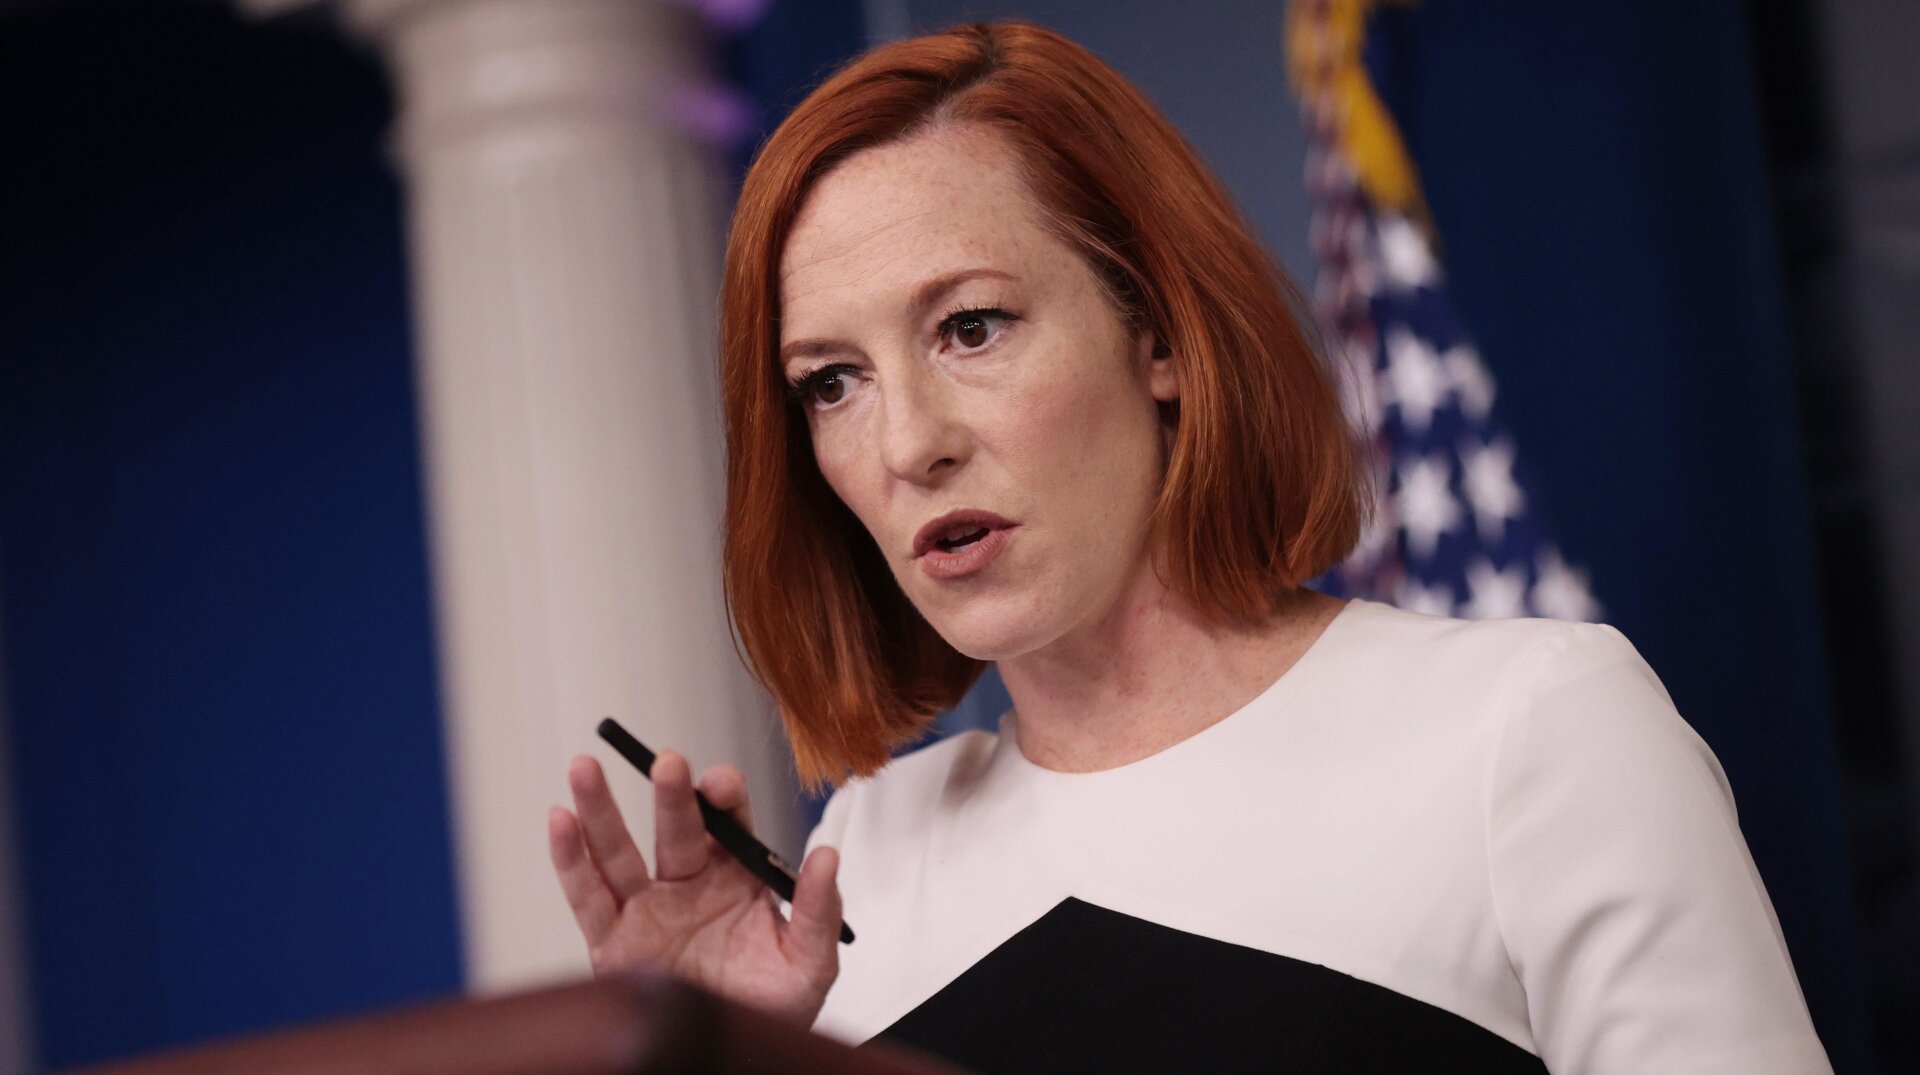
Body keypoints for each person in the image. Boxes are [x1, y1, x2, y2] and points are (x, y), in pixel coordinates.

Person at [545, 20, 1832, 1074]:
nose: (908, 443)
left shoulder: (1529, 730)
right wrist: (727, 1060)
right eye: (831, 382)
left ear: (1157, 334)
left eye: (972, 327)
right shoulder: (872, 852)